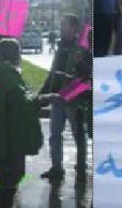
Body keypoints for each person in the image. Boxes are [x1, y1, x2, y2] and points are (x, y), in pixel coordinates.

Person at [0, 38, 53, 208]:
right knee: (7, 190)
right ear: (14, 55)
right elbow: (23, 106)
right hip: (9, 142)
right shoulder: (7, 74)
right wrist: (43, 100)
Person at [39, 15, 88, 180]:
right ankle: (56, 168)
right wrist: (43, 92)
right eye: (62, 26)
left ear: (74, 28)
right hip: (57, 96)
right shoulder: (60, 45)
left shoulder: (82, 47)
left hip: (74, 98)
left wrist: (74, 72)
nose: (62, 29)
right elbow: (53, 71)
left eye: (65, 26)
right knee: (54, 134)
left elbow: (87, 73)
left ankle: (81, 167)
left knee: (78, 134)